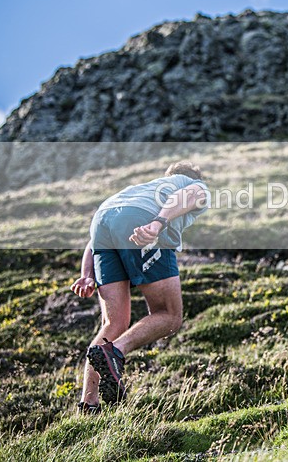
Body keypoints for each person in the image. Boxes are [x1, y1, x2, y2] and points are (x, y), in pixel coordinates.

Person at [70, 161, 210, 412]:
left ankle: (88, 405)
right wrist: (158, 224)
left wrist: (87, 275)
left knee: (113, 323)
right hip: (141, 221)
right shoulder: (193, 185)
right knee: (169, 315)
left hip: (102, 220)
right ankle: (116, 352)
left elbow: (94, 240)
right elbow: (187, 194)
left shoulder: (141, 188)